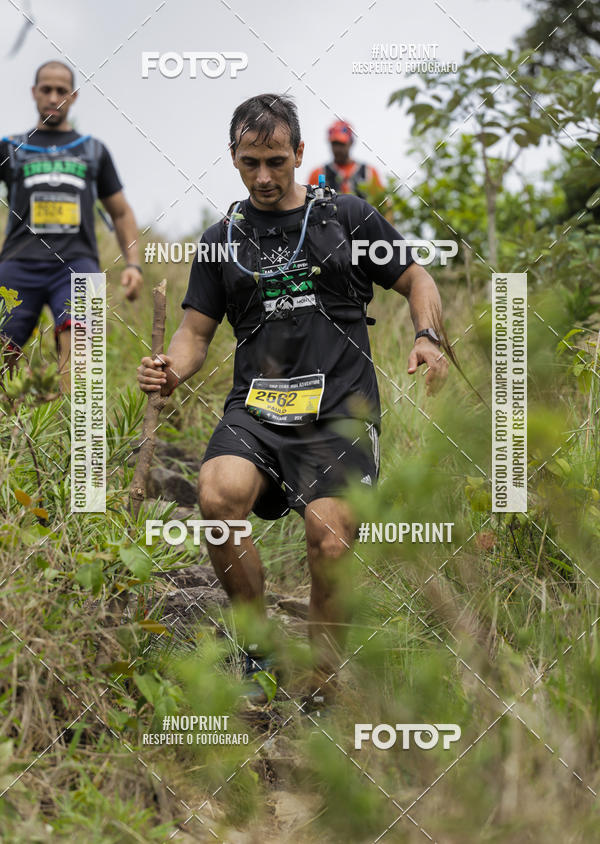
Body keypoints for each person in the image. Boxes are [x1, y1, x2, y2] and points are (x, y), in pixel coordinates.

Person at [137, 94, 448, 709]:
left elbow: (417, 278)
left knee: (330, 543)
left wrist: (428, 337)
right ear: (233, 158)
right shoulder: (221, 239)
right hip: (258, 412)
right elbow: (195, 333)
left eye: (276, 161)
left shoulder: (350, 218)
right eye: (250, 162)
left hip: (340, 413)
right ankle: (256, 645)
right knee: (217, 497)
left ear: (300, 154)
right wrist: (172, 368)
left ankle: (323, 680)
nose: (264, 176)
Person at [0, 60, 143, 387]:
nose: (53, 97)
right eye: (46, 90)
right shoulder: (10, 146)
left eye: (61, 91)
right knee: (1, 358)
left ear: (73, 96)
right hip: (17, 263)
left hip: (78, 266)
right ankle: (11, 435)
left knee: (83, 365)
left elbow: (120, 212)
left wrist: (133, 264)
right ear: (34, 93)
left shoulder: (92, 150)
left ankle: (78, 436)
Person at [308, 118, 384, 198]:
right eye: (334, 144)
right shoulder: (318, 174)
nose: (337, 149)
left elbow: (381, 203)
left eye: (341, 144)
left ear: (351, 142)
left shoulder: (369, 173)